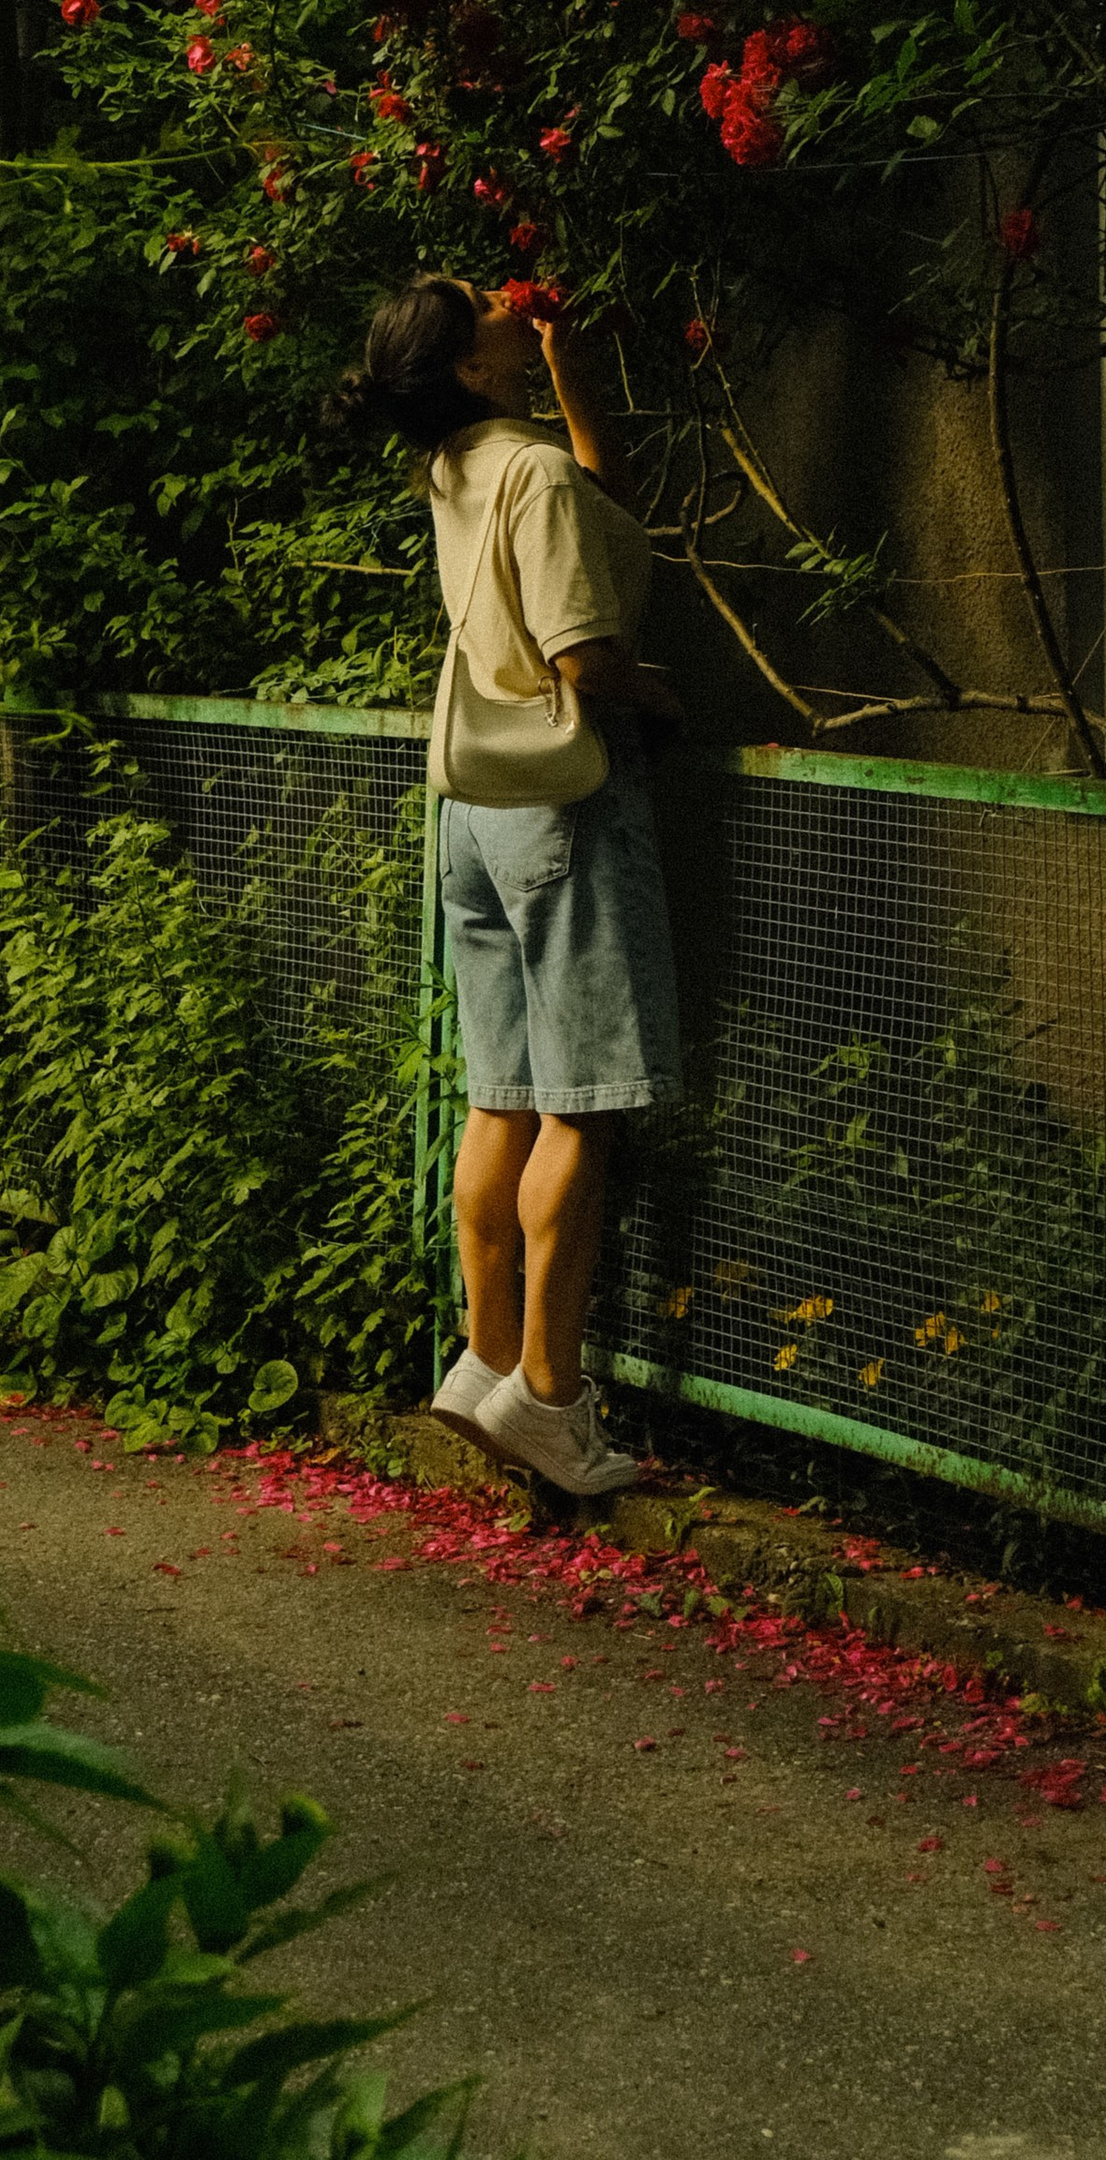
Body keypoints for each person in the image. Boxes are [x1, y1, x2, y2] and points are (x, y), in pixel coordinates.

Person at [351, 273, 681, 1496]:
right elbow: (584, 647)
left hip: (474, 812)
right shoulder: (527, 470)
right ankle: (549, 1398)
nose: (504, 303)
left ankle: (483, 1367)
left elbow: (599, 516)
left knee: (499, 1095)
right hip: (563, 803)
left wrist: (571, 378)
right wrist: (663, 701)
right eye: (482, 311)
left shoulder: (458, 465)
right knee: (581, 1104)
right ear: (476, 368)